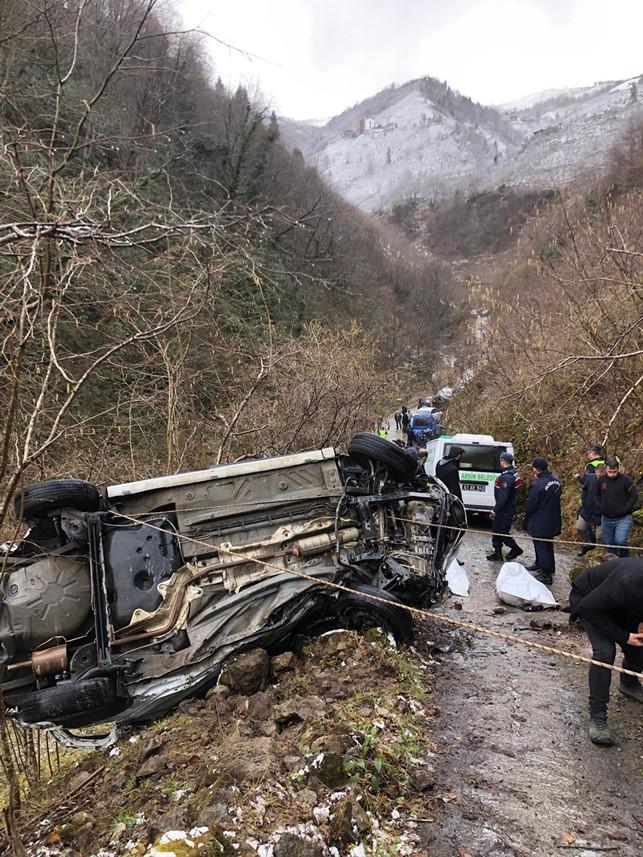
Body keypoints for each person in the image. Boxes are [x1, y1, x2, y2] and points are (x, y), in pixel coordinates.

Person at [569, 557, 643, 746]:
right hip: (589, 602)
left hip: (623, 606)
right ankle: (598, 716)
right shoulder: (627, 581)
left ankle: (629, 683)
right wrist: (625, 636)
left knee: (640, 647)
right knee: (605, 651)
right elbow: (588, 608)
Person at [524, 456, 561, 585]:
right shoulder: (556, 481)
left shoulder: (538, 484)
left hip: (540, 519)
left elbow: (531, 504)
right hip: (553, 517)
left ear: (535, 469)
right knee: (548, 543)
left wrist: (527, 513)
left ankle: (546, 574)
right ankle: (546, 565)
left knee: (541, 544)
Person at [596, 457, 638, 558]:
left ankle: (625, 559)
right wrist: (600, 507)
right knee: (610, 543)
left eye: (614, 472)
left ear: (618, 469)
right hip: (606, 518)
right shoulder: (601, 481)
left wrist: (626, 509)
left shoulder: (626, 480)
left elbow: (634, 495)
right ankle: (614, 562)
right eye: (609, 472)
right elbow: (596, 495)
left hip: (623, 518)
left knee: (620, 540)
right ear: (606, 469)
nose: (612, 474)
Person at [486, 451, 523, 562]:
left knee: (502, 532)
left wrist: (495, 509)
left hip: (504, 509)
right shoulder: (513, 473)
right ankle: (497, 553)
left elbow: (504, 496)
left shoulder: (507, 477)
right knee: (496, 530)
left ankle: (515, 549)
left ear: (502, 461)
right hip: (506, 508)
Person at [576, 445, 605, 556]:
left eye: (589, 453)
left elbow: (583, 481)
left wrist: (578, 477)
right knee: (580, 527)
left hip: (601, 511)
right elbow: (585, 488)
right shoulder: (592, 476)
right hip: (588, 507)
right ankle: (588, 545)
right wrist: (584, 502)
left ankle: (600, 554)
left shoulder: (590, 465)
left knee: (600, 536)